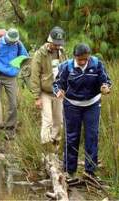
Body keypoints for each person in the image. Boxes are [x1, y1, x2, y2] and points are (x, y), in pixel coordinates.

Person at [53, 43, 112, 179]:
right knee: (72, 136)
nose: (82, 62)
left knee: (92, 136)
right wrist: (59, 91)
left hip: (92, 104)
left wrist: (105, 87)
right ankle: (70, 170)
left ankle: (90, 171)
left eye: (85, 59)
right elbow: (56, 84)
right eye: (79, 59)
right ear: (75, 57)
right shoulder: (66, 67)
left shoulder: (97, 64)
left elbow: (106, 81)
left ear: (89, 56)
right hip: (72, 105)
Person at [0, 28, 29, 139]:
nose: (13, 43)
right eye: (11, 41)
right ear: (6, 37)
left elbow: (25, 59)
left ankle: (10, 130)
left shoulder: (18, 44)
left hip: (11, 78)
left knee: (13, 104)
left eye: (14, 41)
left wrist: (17, 67)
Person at [30, 26, 68, 148]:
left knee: (58, 120)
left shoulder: (62, 52)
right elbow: (34, 76)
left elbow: (67, 70)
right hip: (45, 92)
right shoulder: (40, 54)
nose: (57, 46)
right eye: (55, 44)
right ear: (49, 40)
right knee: (48, 120)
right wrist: (36, 97)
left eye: (59, 44)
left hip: (59, 92)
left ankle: (55, 144)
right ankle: (45, 147)